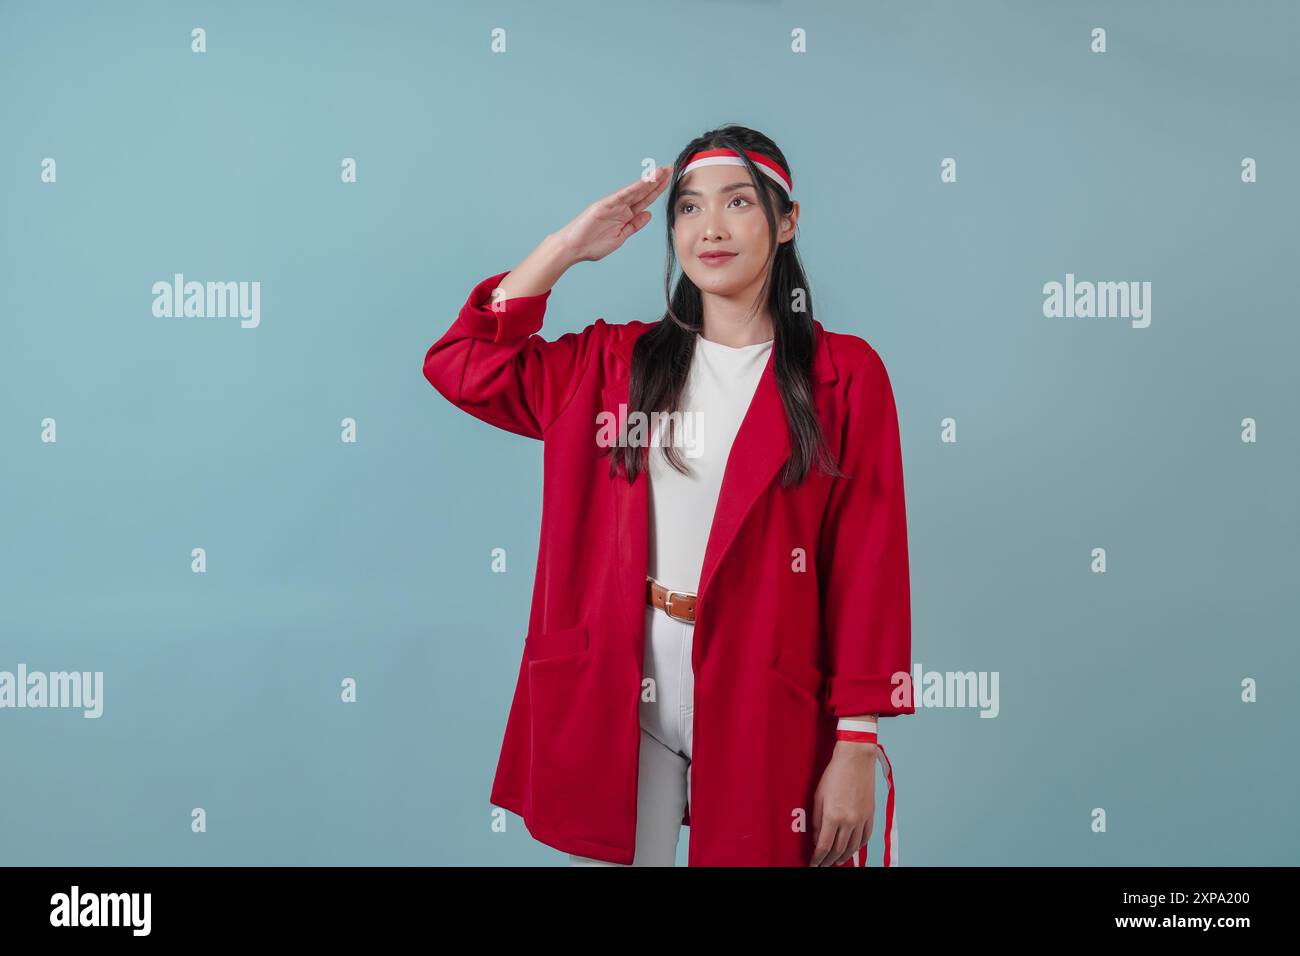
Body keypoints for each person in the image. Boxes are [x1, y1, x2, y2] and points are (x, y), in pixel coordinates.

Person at [423, 125, 914, 866]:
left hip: (763, 696)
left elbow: (868, 565)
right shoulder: (613, 363)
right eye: (688, 208)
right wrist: (565, 247)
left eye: (738, 203)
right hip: (625, 690)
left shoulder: (844, 377)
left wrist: (857, 740)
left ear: (786, 222)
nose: (710, 228)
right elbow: (463, 366)